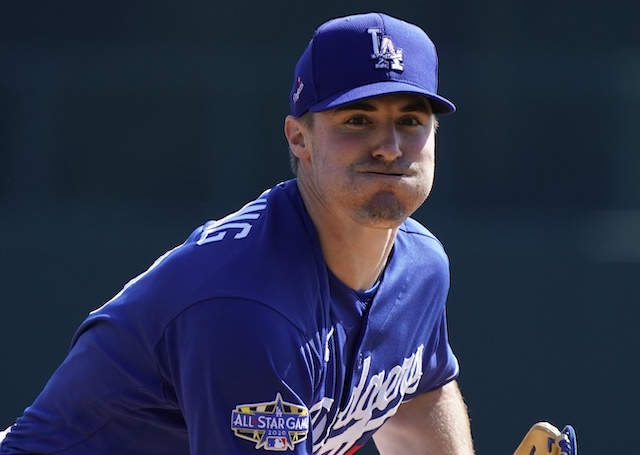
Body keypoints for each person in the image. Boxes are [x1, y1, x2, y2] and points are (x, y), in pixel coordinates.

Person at [0, 12, 474, 455]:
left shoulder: (420, 267)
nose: (390, 148)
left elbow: (413, 397)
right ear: (298, 138)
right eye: (357, 120)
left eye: (410, 121)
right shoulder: (247, 307)